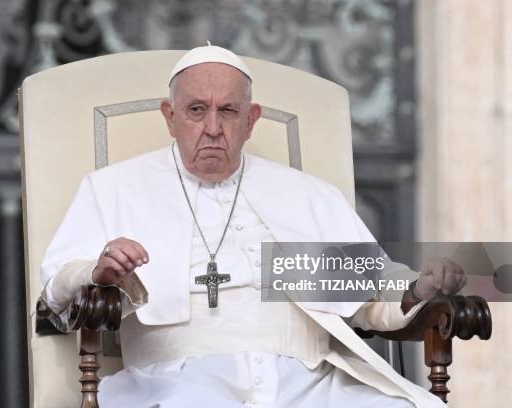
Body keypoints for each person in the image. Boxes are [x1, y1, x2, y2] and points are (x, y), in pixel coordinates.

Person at [40, 44, 466, 407]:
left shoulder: (306, 195)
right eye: (195, 110)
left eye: (228, 111)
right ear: (169, 116)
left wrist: (416, 290)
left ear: (251, 118)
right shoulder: (114, 188)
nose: (212, 128)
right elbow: (57, 284)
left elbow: (368, 297)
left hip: (309, 383)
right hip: (176, 381)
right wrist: (97, 271)